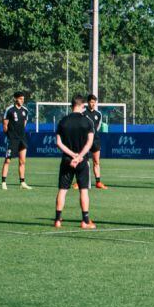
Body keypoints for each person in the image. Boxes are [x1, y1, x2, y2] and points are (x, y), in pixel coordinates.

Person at [54, 95, 96, 229]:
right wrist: (79, 157)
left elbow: (58, 143)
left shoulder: (63, 121)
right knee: (83, 190)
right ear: (81, 105)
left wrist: (72, 156)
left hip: (67, 160)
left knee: (62, 190)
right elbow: (90, 143)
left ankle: (58, 220)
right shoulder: (87, 121)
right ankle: (85, 220)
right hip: (82, 161)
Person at [2, 92, 32, 190]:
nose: (22, 100)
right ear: (15, 99)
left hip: (22, 139)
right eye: (20, 99)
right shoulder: (9, 110)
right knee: (7, 160)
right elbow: (5, 125)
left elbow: (24, 124)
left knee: (22, 161)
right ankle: (3, 182)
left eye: (23, 99)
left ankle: (22, 182)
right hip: (12, 139)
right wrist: (9, 136)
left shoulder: (25, 110)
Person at [84, 94, 108, 190]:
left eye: (94, 102)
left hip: (95, 140)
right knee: (83, 162)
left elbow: (97, 128)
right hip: (85, 140)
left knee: (96, 162)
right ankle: (79, 182)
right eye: (91, 102)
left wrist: (93, 135)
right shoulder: (83, 113)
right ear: (88, 102)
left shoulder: (98, 114)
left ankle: (98, 182)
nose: (93, 104)